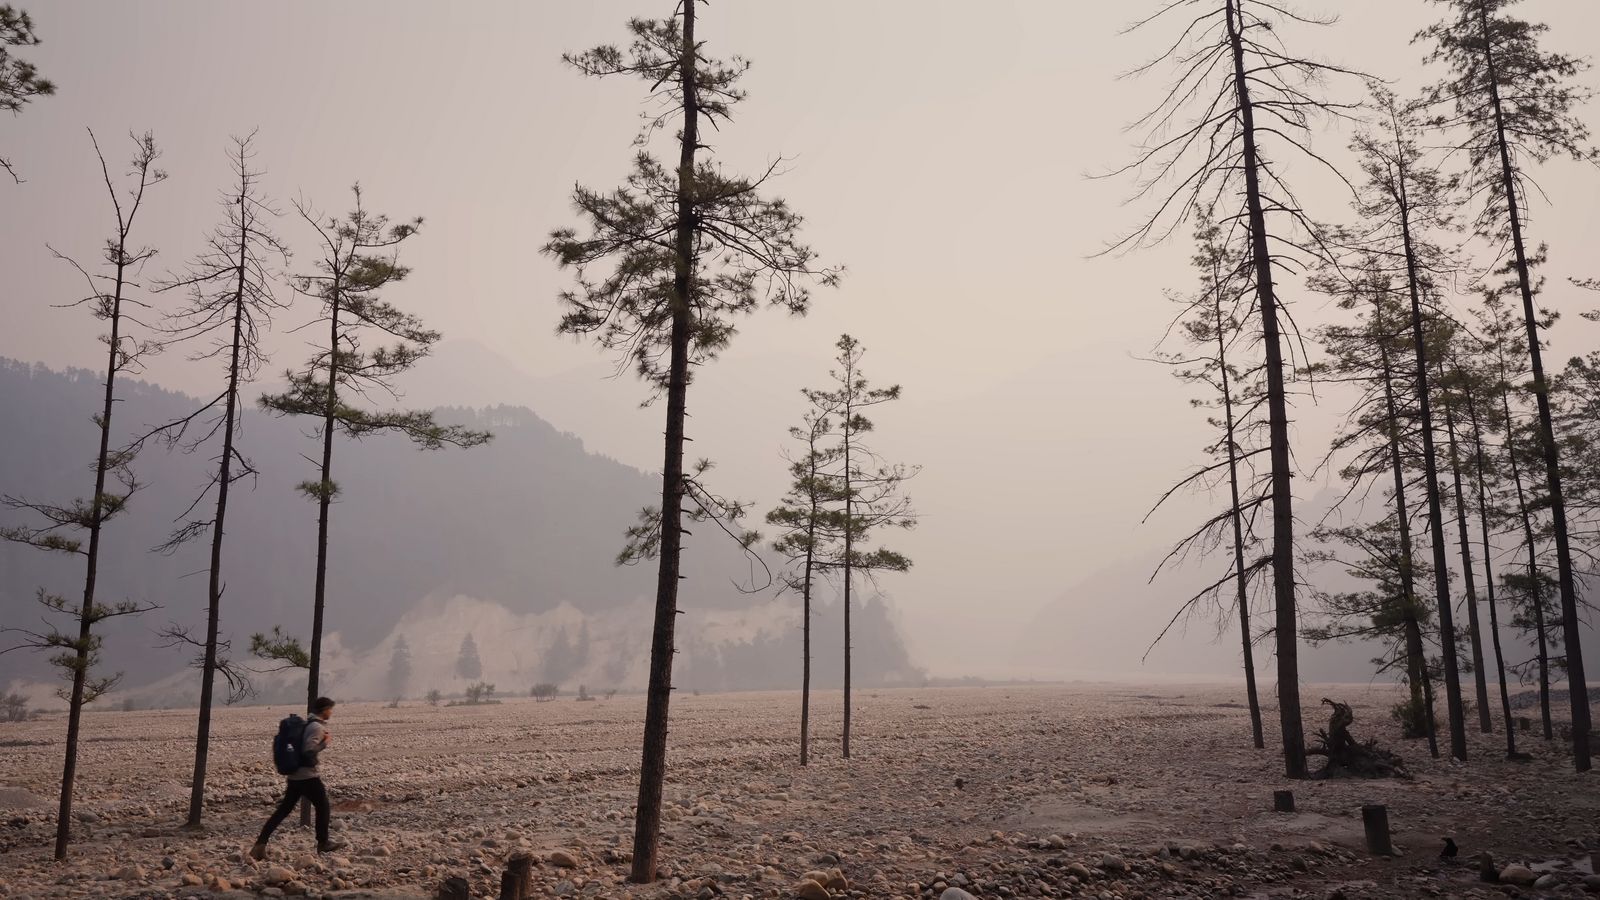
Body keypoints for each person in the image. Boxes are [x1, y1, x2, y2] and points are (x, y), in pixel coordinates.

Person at [251, 697, 345, 859]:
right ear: (324, 710)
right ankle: (323, 843)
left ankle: (260, 844)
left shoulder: (308, 724)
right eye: (330, 709)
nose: (331, 712)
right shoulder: (316, 727)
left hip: (295, 776)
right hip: (308, 776)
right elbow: (308, 750)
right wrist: (325, 743)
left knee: (283, 810)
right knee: (323, 806)